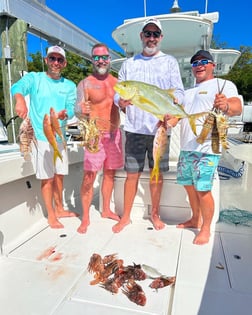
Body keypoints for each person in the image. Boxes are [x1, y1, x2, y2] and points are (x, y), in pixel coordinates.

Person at [112, 18, 184, 233]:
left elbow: (178, 92)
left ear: (160, 38)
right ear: (141, 36)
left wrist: (175, 111)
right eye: (147, 33)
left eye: (155, 34)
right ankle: (125, 217)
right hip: (134, 128)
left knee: (157, 174)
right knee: (131, 174)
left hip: (159, 128)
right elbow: (119, 92)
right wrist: (120, 102)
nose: (151, 38)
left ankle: (155, 214)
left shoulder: (170, 62)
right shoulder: (129, 63)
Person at [176, 50, 242, 245]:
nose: (199, 65)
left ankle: (205, 228)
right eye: (195, 62)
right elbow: (177, 116)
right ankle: (194, 218)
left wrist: (226, 105)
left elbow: (236, 106)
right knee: (189, 186)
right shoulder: (187, 92)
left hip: (207, 148)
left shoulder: (224, 85)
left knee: (203, 189)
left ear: (213, 65)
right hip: (186, 147)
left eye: (204, 61)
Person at [11, 45, 77, 229]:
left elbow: (71, 108)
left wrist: (65, 114)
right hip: (41, 137)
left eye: (60, 59)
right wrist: (20, 99)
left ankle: (60, 208)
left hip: (60, 137)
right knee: (47, 178)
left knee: (59, 176)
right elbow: (18, 86)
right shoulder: (34, 78)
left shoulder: (70, 85)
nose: (56, 62)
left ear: (64, 63)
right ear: (46, 60)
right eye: (52, 58)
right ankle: (51, 214)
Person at [75, 43, 123, 234]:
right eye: (96, 57)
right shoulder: (85, 83)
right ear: (92, 60)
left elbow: (125, 106)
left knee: (110, 173)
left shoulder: (119, 83)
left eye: (104, 57)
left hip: (114, 134)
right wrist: (81, 110)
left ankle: (105, 209)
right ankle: (85, 216)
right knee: (89, 176)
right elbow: (76, 111)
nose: (101, 60)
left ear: (109, 59)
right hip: (93, 134)